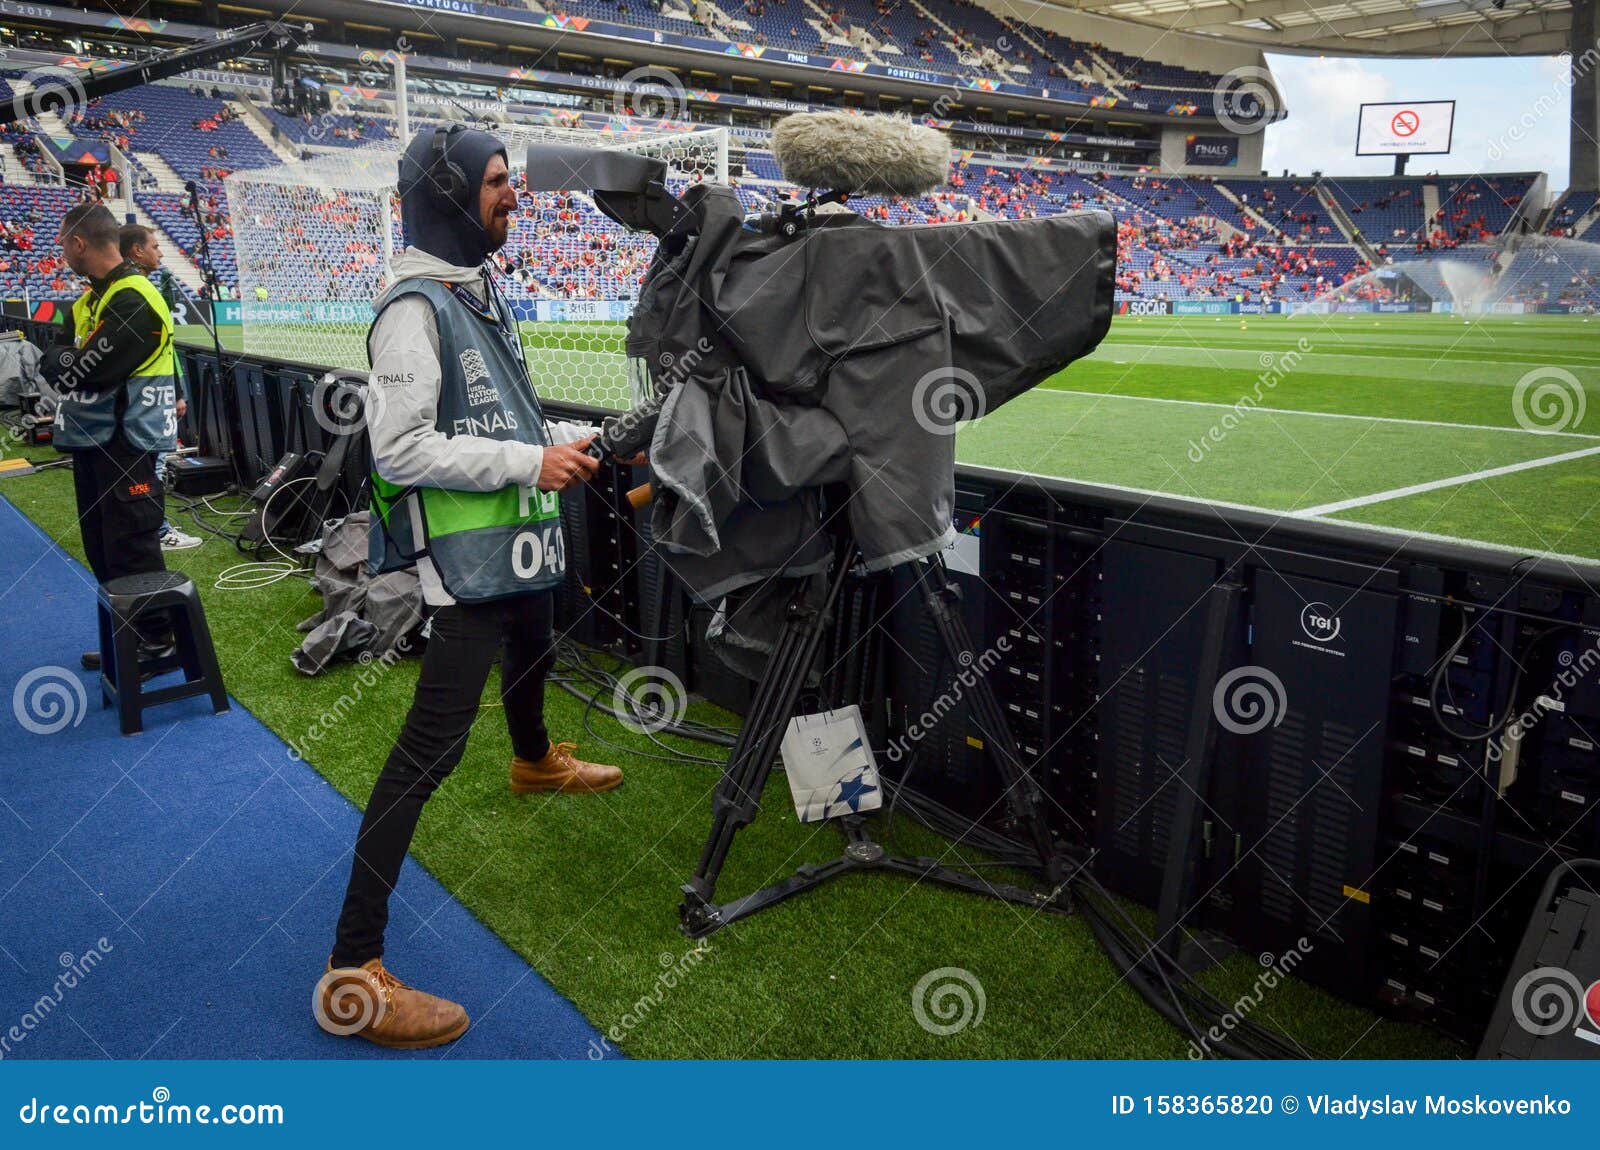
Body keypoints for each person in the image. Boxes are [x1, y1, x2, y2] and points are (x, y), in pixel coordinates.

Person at [315, 126, 625, 1050]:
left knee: (539, 640)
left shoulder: (475, 290)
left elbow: (498, 413)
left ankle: (533, 760)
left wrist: (565, 442)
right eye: (496, 183)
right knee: (427, 753)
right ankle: (350, 968)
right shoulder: (412, 309)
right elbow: (399, 450)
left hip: (510, 550)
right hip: (461, 566)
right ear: (448, 195)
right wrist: (532, 461)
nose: (511, 197)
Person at [49, 201, 178, 671]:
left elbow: (84, 370)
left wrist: (67, 362)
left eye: (64, 244)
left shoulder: (134, 297)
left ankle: (158, 642)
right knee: (100, 542)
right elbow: (59, 356)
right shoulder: (91, 300)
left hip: (129, 441)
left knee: (131, 543)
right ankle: (129, 638)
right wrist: (66, 361)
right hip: (92, 440)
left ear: (79, 243)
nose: (62, 253)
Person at [120, 224, 200, 552]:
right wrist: (175, 391)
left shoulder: (128, 289)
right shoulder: (137, 292)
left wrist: (176, 391)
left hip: (147, 395)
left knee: (146, 465)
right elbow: (157, 352)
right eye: (154, 246)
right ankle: (156, 531)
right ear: (137, 251)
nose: (161, 251)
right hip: (148, 397)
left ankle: (147, 528)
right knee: (152, 465)